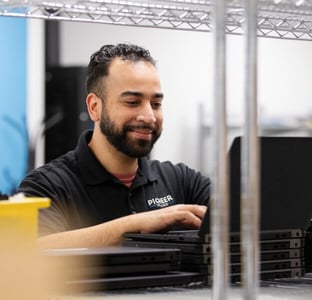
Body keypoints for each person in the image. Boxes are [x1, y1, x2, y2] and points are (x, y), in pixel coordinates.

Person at [18, 43, 211, 249]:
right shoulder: (47, 187)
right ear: (94, 107)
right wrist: (136, 224)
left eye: (156, 104)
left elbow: (240, 226)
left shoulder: (184, 182)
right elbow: (34, 251)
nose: (149, 116)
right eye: (132, 102)